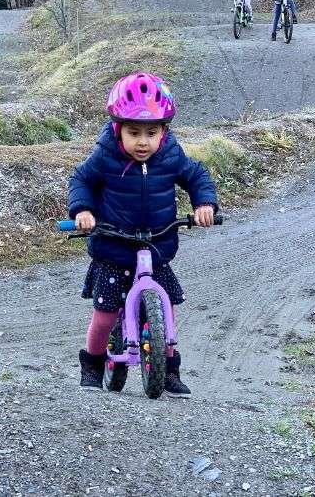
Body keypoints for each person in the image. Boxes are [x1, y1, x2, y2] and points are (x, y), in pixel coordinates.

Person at [68, 72, 219, 397]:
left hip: (157, 245)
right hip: (114, 247)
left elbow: (197, 176)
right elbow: (81, 180)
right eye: (133, 132)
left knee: (167, 308)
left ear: (164, 131)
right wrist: (83, 211)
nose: (142, 142)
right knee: (105, 314)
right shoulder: (106, 155)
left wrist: (204, 203)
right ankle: (93, 363)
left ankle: (169, 370)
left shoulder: (170, 155)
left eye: (151, 133)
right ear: (117, 128)